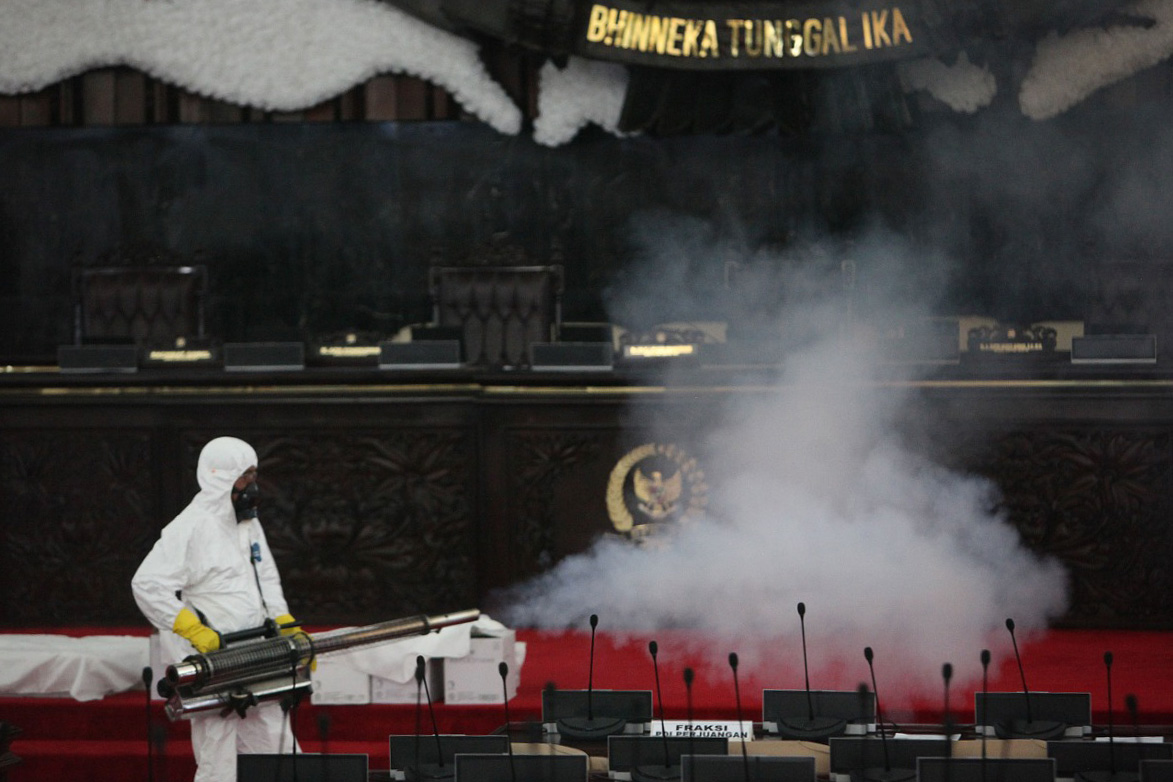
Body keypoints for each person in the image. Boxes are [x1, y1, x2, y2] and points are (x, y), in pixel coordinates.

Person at [132, 436, 301, 782]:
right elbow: (147, 584)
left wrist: (285, 622)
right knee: (219, 759)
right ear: (220, 477)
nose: (252, 485)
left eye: (254, 474)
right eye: (245, 476)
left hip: (255, 655)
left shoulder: (248, 524)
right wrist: (194, 631)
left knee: (278, 747)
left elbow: (266, 576)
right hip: (213, 661)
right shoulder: (189, 528)